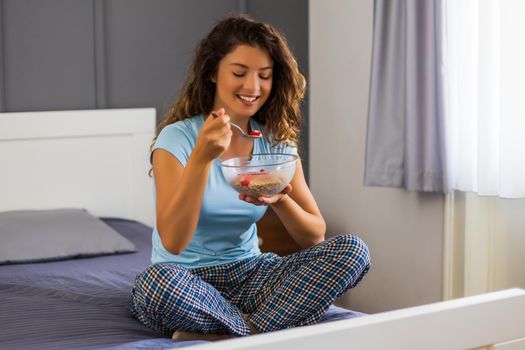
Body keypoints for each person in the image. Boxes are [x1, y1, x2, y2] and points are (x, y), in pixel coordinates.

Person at [130, 14, 371, 341]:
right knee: (155, 286)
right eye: (239, 73)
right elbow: (173, 241)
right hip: (185, 279)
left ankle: (238, 332)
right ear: (214, 73)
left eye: (265, 76)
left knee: (353, 250)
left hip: (251, 275)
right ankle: (266, 327)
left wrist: (280, 199)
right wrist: (202, 158)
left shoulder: (275, 142)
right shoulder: (177, 139)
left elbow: (315, 235)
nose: (253, 87)